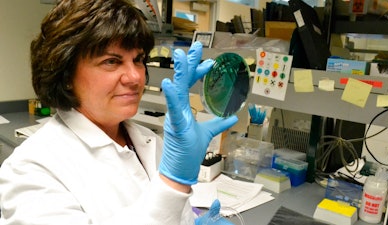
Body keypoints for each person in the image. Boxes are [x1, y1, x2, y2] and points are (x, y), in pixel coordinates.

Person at [0, 0, 238, 224]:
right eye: (111, 61)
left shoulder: (149, 142)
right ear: (66, 75)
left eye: (138, 59)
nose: (135, 76)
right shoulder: (30, 170)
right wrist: (172, 183)